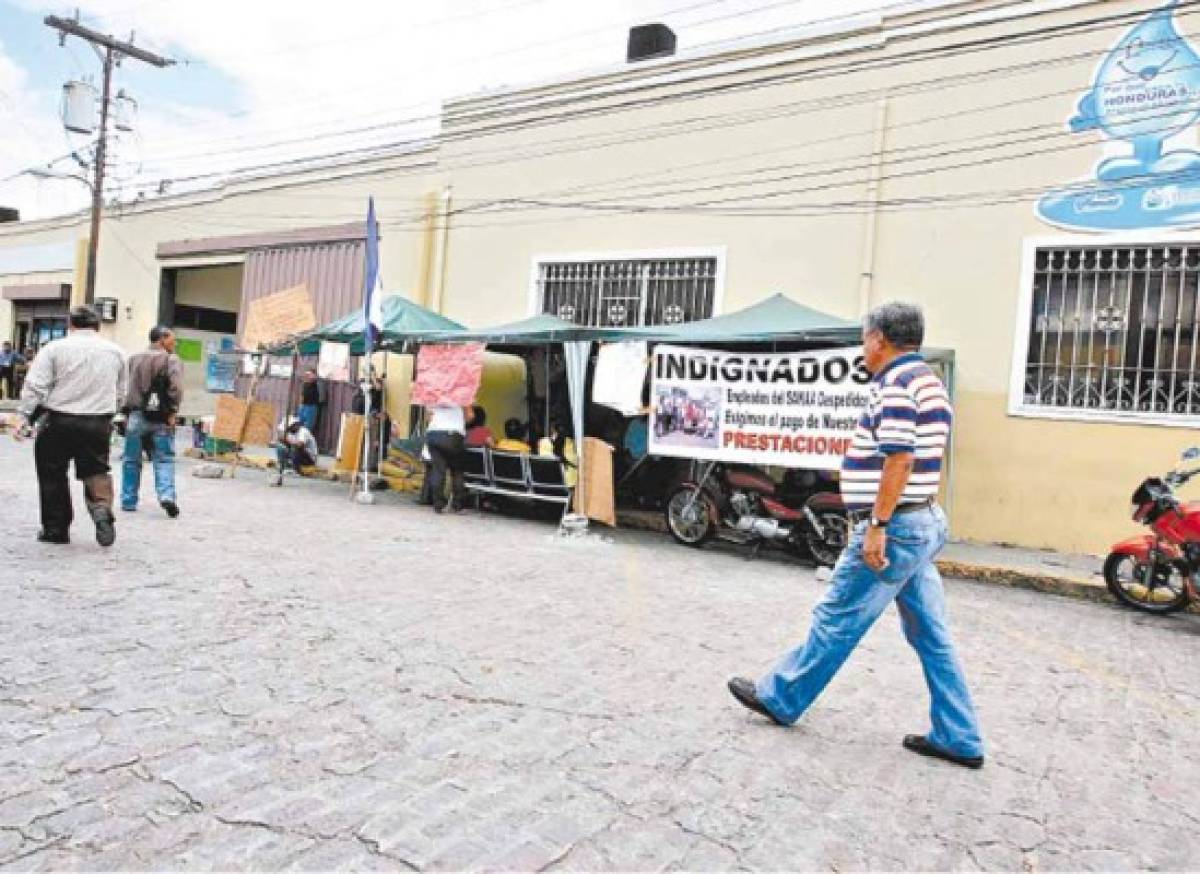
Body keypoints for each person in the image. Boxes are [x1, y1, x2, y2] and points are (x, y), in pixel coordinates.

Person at [727, 302, 985, 770]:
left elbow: (899, 459)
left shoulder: (895, 386)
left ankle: (782, 696)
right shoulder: (929, 382)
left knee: (837, 615)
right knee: (932, 634)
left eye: (864, 336)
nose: (863, 346)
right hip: (923, 520)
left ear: (878, 338)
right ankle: (960, 734)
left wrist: (879, 525)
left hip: (897, 526)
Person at [10, 306, 126, 546]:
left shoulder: (54, 348)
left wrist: (23, 416)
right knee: (96, 470)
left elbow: (35, 387)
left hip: (59, 420)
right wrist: (108, 413)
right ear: (97, 326)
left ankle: (56, 529)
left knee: (52, 473)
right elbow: (121, 393)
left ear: (70, 325)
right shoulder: (116, 352)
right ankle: (101, 509)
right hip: (97, 421)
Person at [121, 325, 184, 517]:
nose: (175, 342)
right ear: (162, 339)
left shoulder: (133, 359)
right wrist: (173, 412)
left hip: (136, 416)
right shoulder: (171, 360)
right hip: (161, 418)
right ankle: (167, 496)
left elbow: (125, 388)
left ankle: (128, 500)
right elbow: (177, 389)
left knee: (131, 460)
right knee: (164, 459)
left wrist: (124, 413)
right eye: (172, 339)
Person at [425, 403, 468, 513]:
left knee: (438, 470)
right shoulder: (462, 394)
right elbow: (470, 415)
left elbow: (428, 417)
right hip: (453, 435)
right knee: (457, 471)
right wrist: (459, 421)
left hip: (433, 434)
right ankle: (457, 505)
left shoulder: (434, 393)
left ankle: (438, 504)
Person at [538, 420, 578, 488]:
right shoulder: (571, 443)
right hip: (569, 483)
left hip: (548, 481)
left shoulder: (542, 442)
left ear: (551, 430)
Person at [297, 369, 320, 433]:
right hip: (303, 406)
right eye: (306, 375)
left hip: (311, 407)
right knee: (298, 425)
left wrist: (314, 377)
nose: (307, 376)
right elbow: (302, 395)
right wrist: (300, 405)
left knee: (307, 429)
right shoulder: (305, 384)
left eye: (309, 375)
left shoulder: (317, 384)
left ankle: (304, 441)